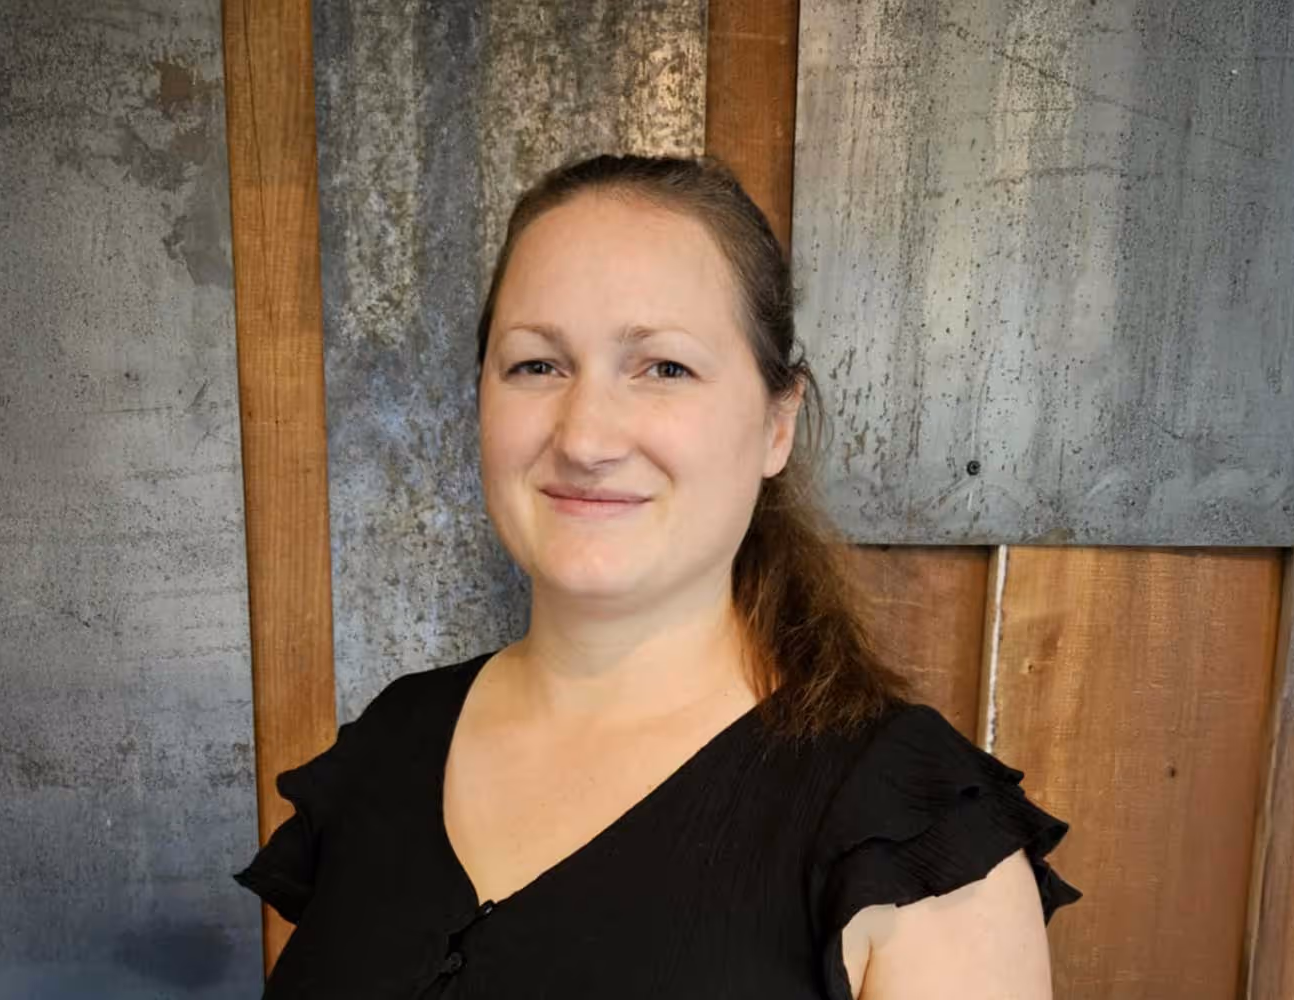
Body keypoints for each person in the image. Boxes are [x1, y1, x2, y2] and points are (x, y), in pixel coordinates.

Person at [235, 154, 1079, 999]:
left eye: (664, 369)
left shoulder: (912, 835)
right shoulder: (390, 745)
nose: (586, 437)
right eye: (537, 365)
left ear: (777, 425)